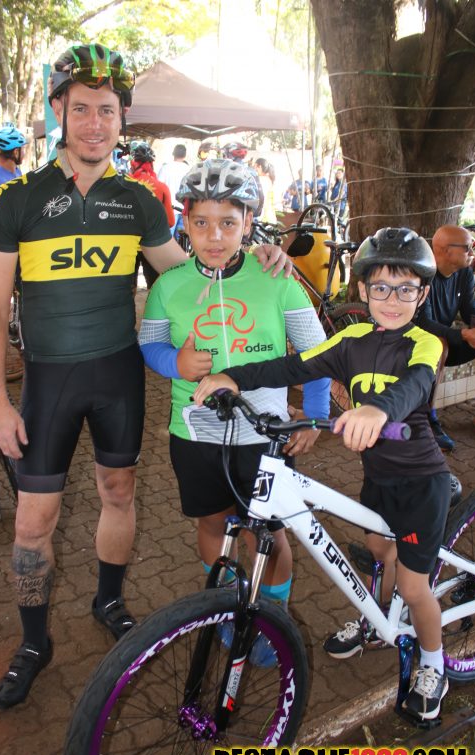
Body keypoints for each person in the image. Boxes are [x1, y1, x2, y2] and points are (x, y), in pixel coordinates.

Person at [0, 43, 290, 712]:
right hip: (48, 381)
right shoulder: (16, 198)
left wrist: (257, 253)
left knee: (119, 491)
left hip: (117, 373)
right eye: (81, 109)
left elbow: (194, 271)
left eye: (107, 111)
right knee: (33, 521)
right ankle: (33, 643)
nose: (95, 124)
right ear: (58, 111)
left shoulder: (138, 201)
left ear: (122, 120)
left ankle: (109, 600)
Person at [194, 227, 451, 722]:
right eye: (381, 287)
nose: (392, 300)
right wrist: (233, 377)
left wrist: (378, 410)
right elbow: (291, 367)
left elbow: (416, 385)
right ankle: (376, 622)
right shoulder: (351, 340)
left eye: (405, 289)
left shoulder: (425, 343)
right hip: (378, 479)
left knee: (414, 587)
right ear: (363, 290)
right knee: (379, 554)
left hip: (421, 483)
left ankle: (434, 664)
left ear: (422, 295)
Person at [139, 158, 330, 667]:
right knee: (213, 522)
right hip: (195, 435)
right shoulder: (168, 285)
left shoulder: (277, 279)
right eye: (201, 222)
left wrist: (313, 414)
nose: (214, 235)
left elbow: (317, 352)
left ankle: (274, 618)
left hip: (265, 437)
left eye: (228, 222)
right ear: (184, 222)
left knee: (268, 532)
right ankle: (226, 609)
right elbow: (150, 345)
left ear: (248, 223)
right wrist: (175, 363)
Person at [417, 224, 475, 448]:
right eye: (467, 248)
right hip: (416, 345)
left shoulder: (464, 273)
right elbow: (424, 324)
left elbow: (471, 312)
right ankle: (427, 419)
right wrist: (463, 334)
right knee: (438, 344)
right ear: (445, 250)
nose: (472, 252)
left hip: (449, 339)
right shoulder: (423, 276)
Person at [129, 141, 175, 289]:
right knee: (154, 287)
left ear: (133, 163)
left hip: (127, 246)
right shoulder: (162, 187)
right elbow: (170, 221)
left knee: (128, 288)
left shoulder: (123, 185)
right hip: (153, 245)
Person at [157, 143, 188, 233]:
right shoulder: (189, 169)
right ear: (185, 155)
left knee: (168, 238)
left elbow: (158, 187)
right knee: (182, 239)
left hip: (169, 210)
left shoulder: (165, 168)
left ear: (173, 153)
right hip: (184, 210)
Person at [254, 157, 277, 224]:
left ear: (259, 167)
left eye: (255, 166)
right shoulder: (269, 179)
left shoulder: (260, 180)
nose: (254, 169)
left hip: (263, 216)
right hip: (270, 216)